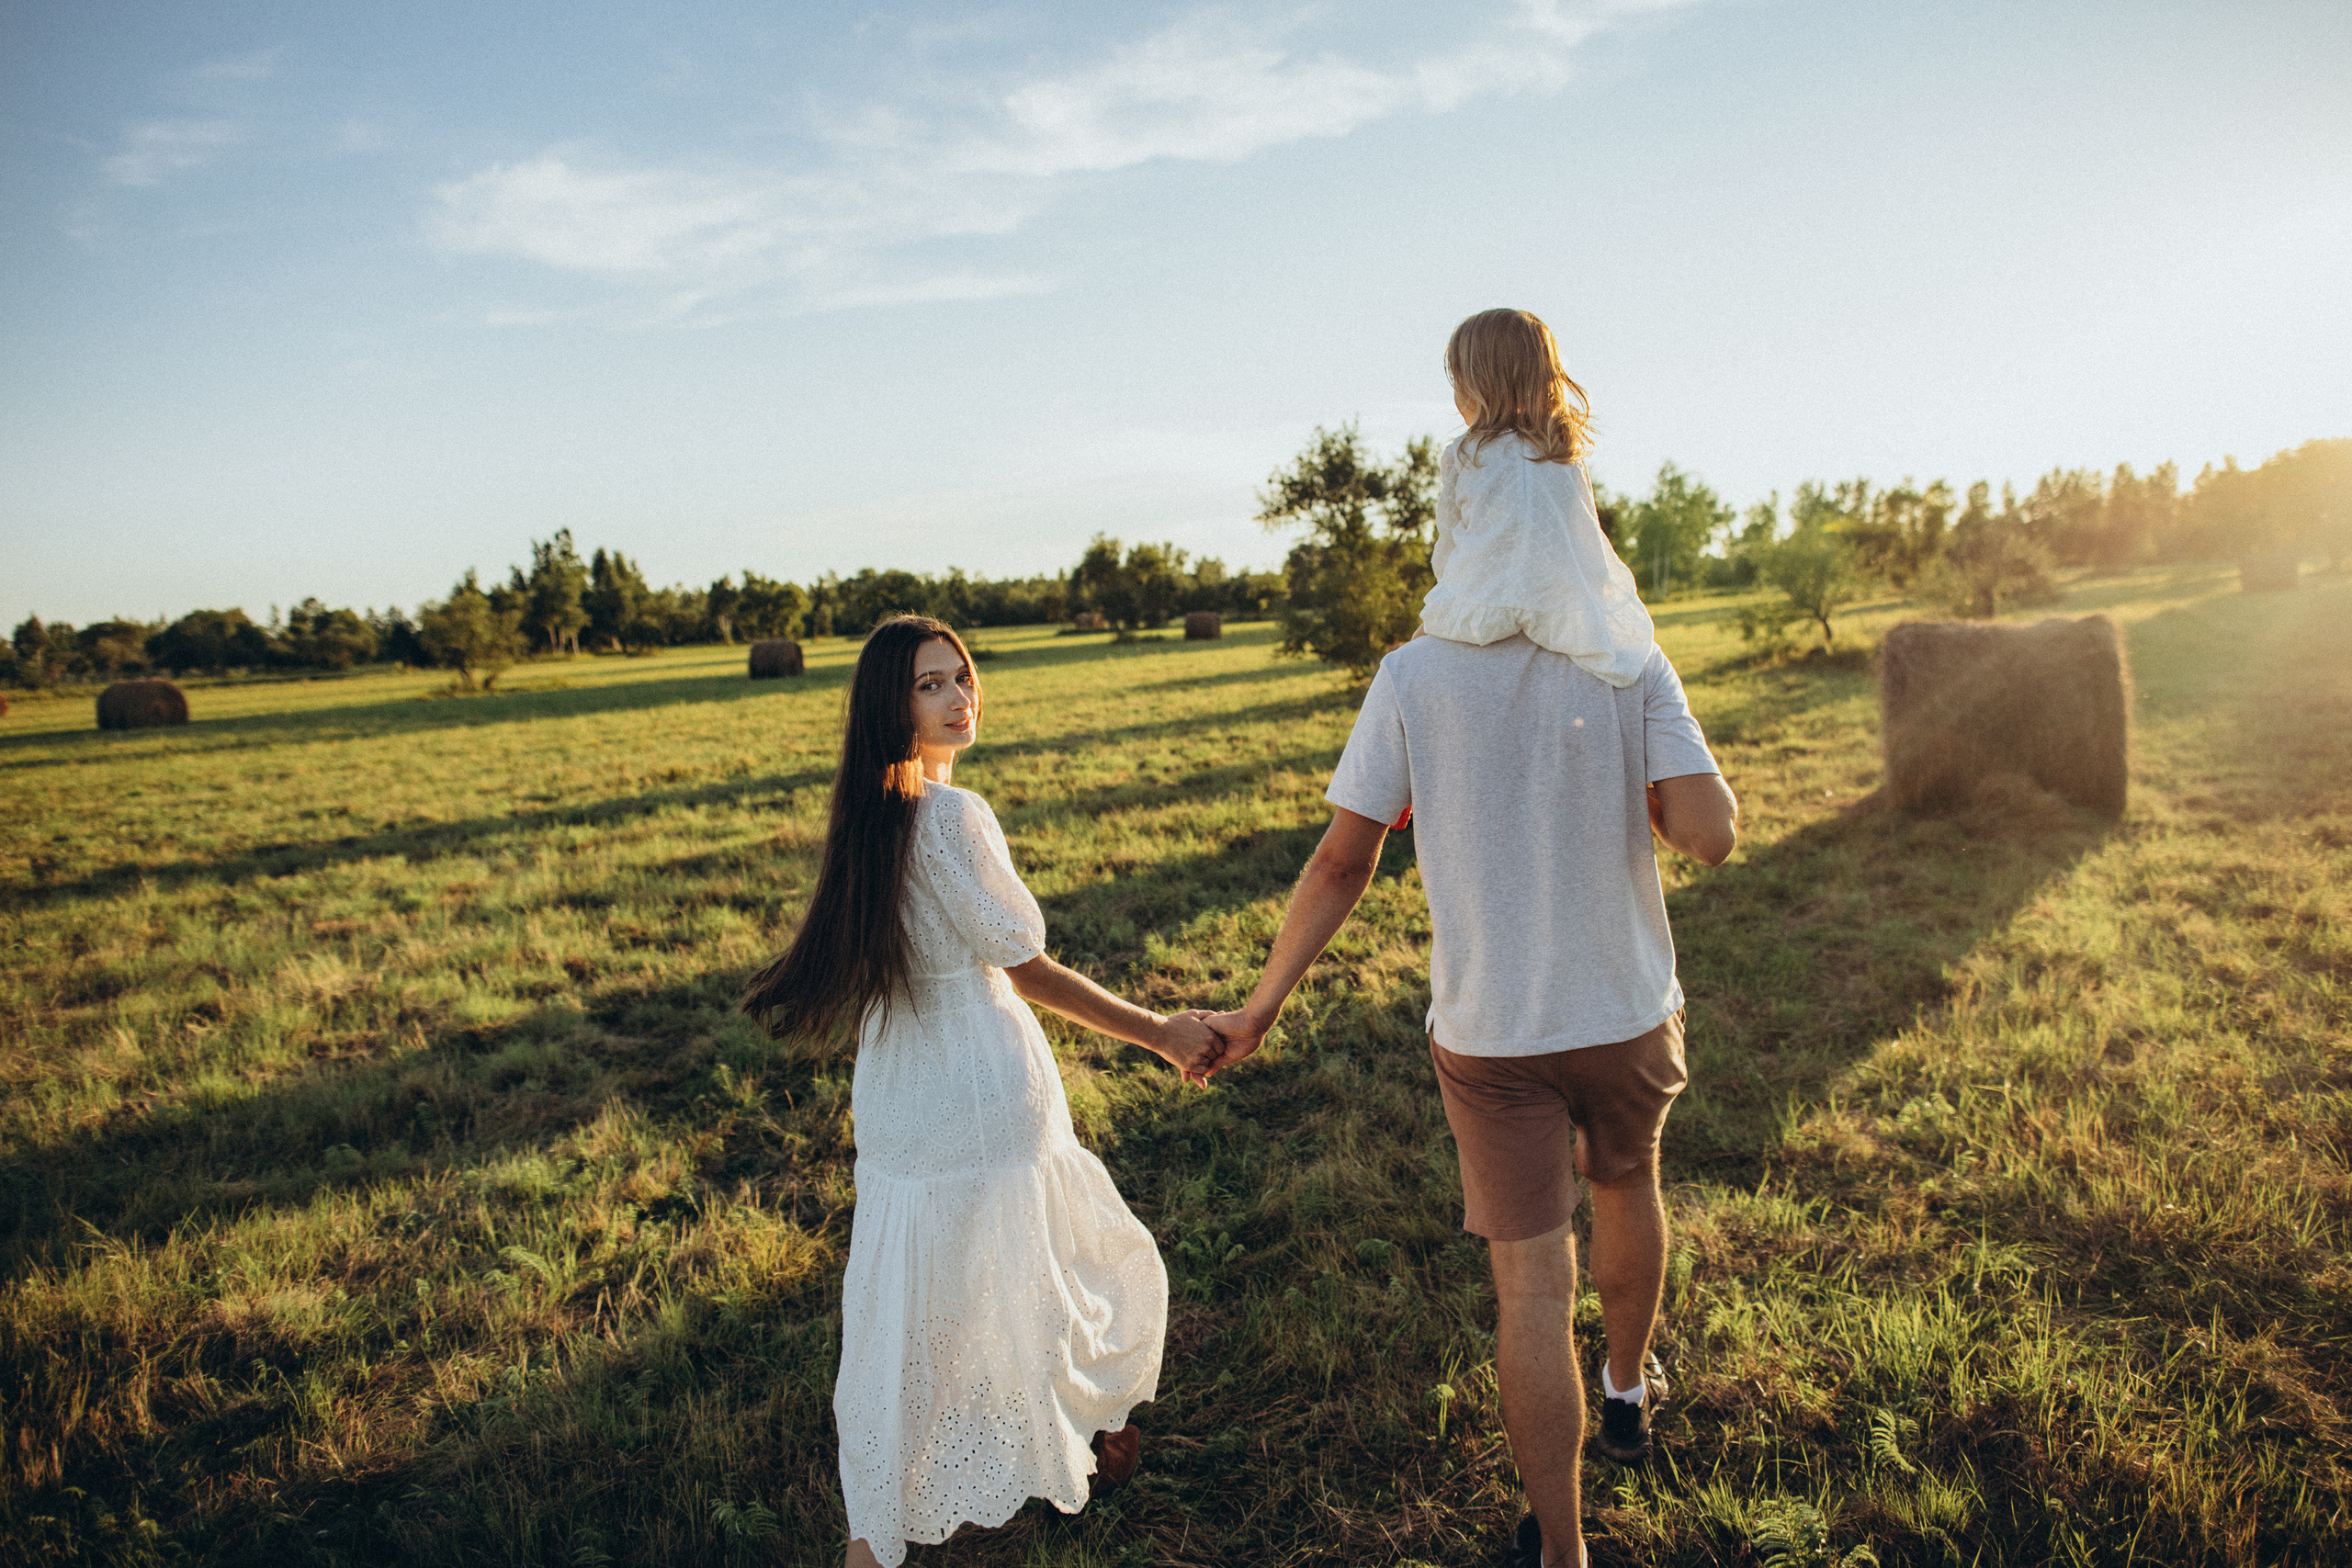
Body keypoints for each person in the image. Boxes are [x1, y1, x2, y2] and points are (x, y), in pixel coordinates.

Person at [1200, 310, 1738, 1568]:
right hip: (1624, 1007)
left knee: (1526, 1290)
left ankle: (1562, 1550)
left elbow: (1344, 857)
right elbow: (1709, 835)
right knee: (1631, 1184)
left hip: (1491, 1032)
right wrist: (1658, 769)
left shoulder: (1412, 676)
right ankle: (1625, 1387)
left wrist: (1265, 1002)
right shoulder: (1627, 659)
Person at [741, 615, 1222, 1568]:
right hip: (980, 1079)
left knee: (911, 1315)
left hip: (896, 1094)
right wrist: (1162, 1033)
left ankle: (889, 1519)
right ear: (891, 704)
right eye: (930, 684)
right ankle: (1089, 1423)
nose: (960, 696)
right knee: (1041, 1274)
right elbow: (1027, 968)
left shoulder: (869, 820)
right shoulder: (953, 817)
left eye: (961, 675)